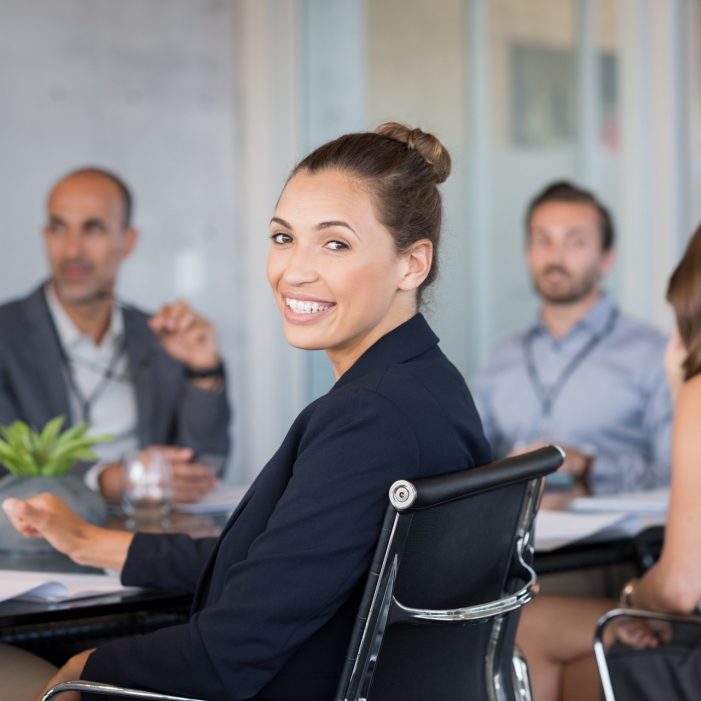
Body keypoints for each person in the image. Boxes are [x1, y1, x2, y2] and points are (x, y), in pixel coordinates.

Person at [0, 123, 491, 701]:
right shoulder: (426, 385)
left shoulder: (371, 418)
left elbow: (227, 655)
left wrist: (86, 663)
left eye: (335, 243)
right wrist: (92, 541)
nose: (293, 271)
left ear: (412, 265)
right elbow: (277, 561)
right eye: (284, 238)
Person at [516, 223, 701, 701]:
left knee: (525, 630)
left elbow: (680, 589)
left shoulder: (690, 384)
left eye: (576, 241)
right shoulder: (501, 357)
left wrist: (632, 600)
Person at [0, 167, 230, 501]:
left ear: (128, 241)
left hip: (148, 537)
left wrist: (204, 372)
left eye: (92, 229)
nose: (72, 250)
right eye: (58, 228)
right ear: (45, 235)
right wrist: (109, 480)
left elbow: (206, 468)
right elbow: (7, 466)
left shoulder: (161, 336)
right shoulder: (7, 333)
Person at [473, 181, 673, 490]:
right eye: (543, 241)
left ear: (606, 258)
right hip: (510, 534)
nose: (555, 256)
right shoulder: (500, 354)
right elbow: (470, 460)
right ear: (528, 253)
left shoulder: (654, 354)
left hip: (619, 537)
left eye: (575, 242)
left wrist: (590, 466)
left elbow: (679, 478)